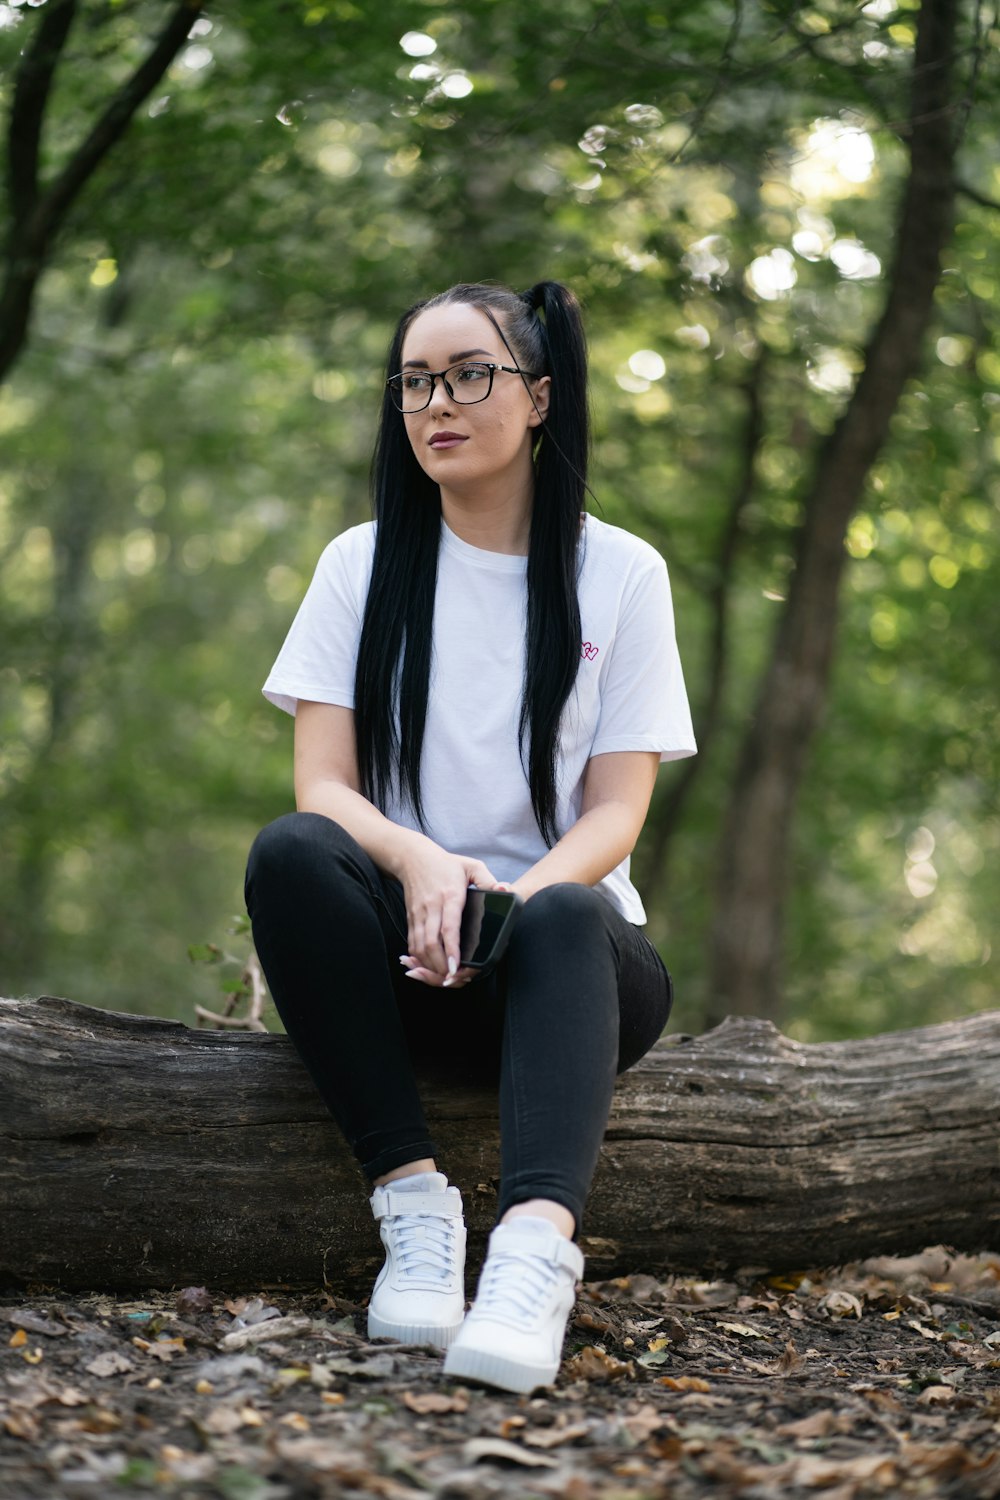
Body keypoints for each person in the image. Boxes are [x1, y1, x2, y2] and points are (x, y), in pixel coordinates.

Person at [244, 280, 696, 1395]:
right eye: (413, 381)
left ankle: (534, 1258)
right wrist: (417, 860)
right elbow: (322, 788)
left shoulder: (620, 572)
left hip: (566, 972)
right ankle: (414, 1212)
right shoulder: (360, 565)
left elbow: (616, 813)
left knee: (569, 910)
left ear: (540, 398)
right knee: (289, 854)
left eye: (468, 374)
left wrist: (512, 904)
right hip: (401, 959)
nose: (435, 402)